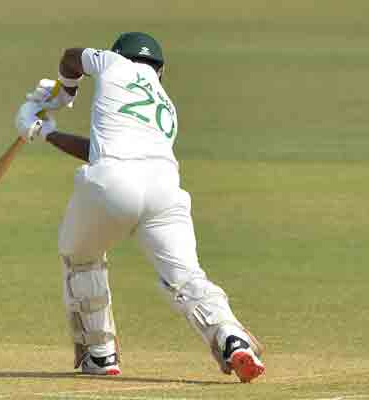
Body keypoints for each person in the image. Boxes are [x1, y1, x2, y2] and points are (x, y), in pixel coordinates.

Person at [14, 32, 265, 383]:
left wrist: (62, 94)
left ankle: (100, 354)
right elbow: (103, 148)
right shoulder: (166, 106)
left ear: (117, 54)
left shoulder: (114, 63)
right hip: (165, 190)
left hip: (112, 182)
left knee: (81, 257)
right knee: (187, 277)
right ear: (159, 71)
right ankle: (232, 339)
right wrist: (46, 131)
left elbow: (71, 56)